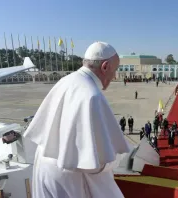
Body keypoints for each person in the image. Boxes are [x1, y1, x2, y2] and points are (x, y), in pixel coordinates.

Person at [23, 41, 130, 198]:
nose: (114, 76)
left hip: (45, 166)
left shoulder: (66, 81)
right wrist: (116, 158)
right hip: (69, 178)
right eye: (115, 70)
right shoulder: (92, 95)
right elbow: (95, 164)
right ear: (105, 66)